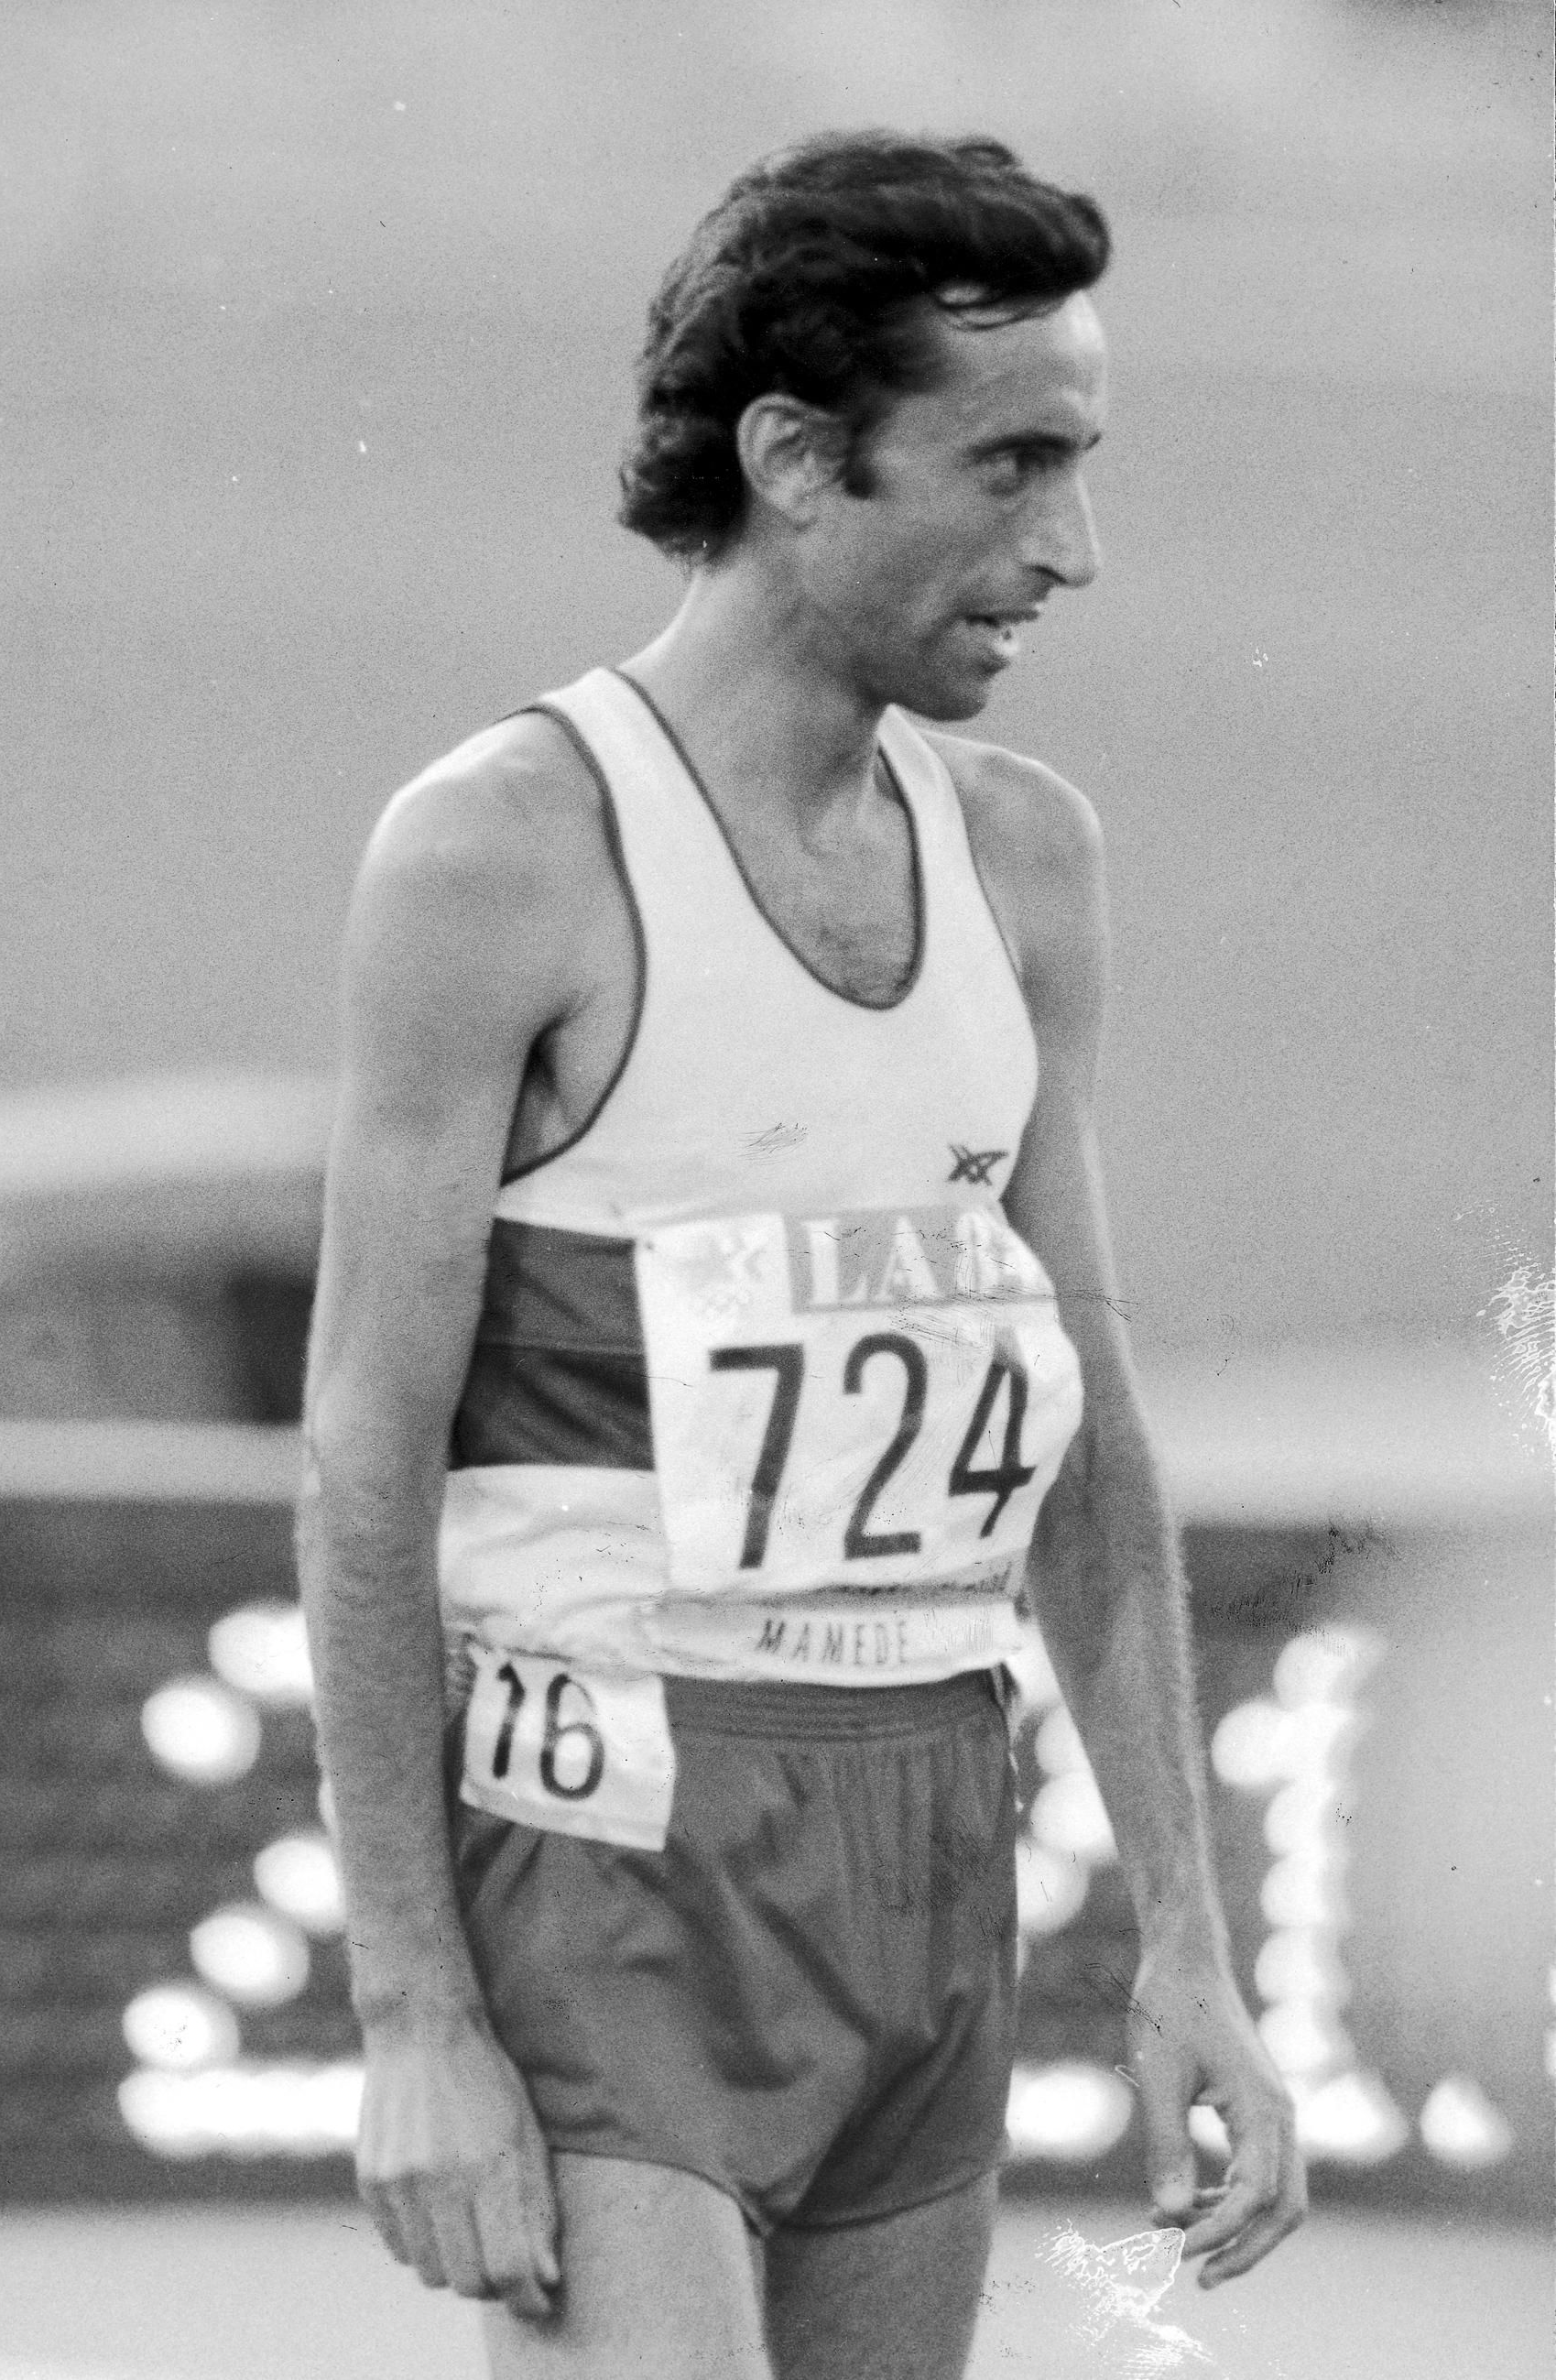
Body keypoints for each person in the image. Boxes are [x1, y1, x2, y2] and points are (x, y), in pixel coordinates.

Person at [297, 131, 1306, 2380]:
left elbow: (1086, 1436)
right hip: (610, 1872)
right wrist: (411, 2010)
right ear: (793, 457)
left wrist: (1188, 1951)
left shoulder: (1029, 863)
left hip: (929, 1864)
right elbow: (366, 1453)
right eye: (1013, 464)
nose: (1076, 547)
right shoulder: (505, 853)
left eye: (1087, 462)